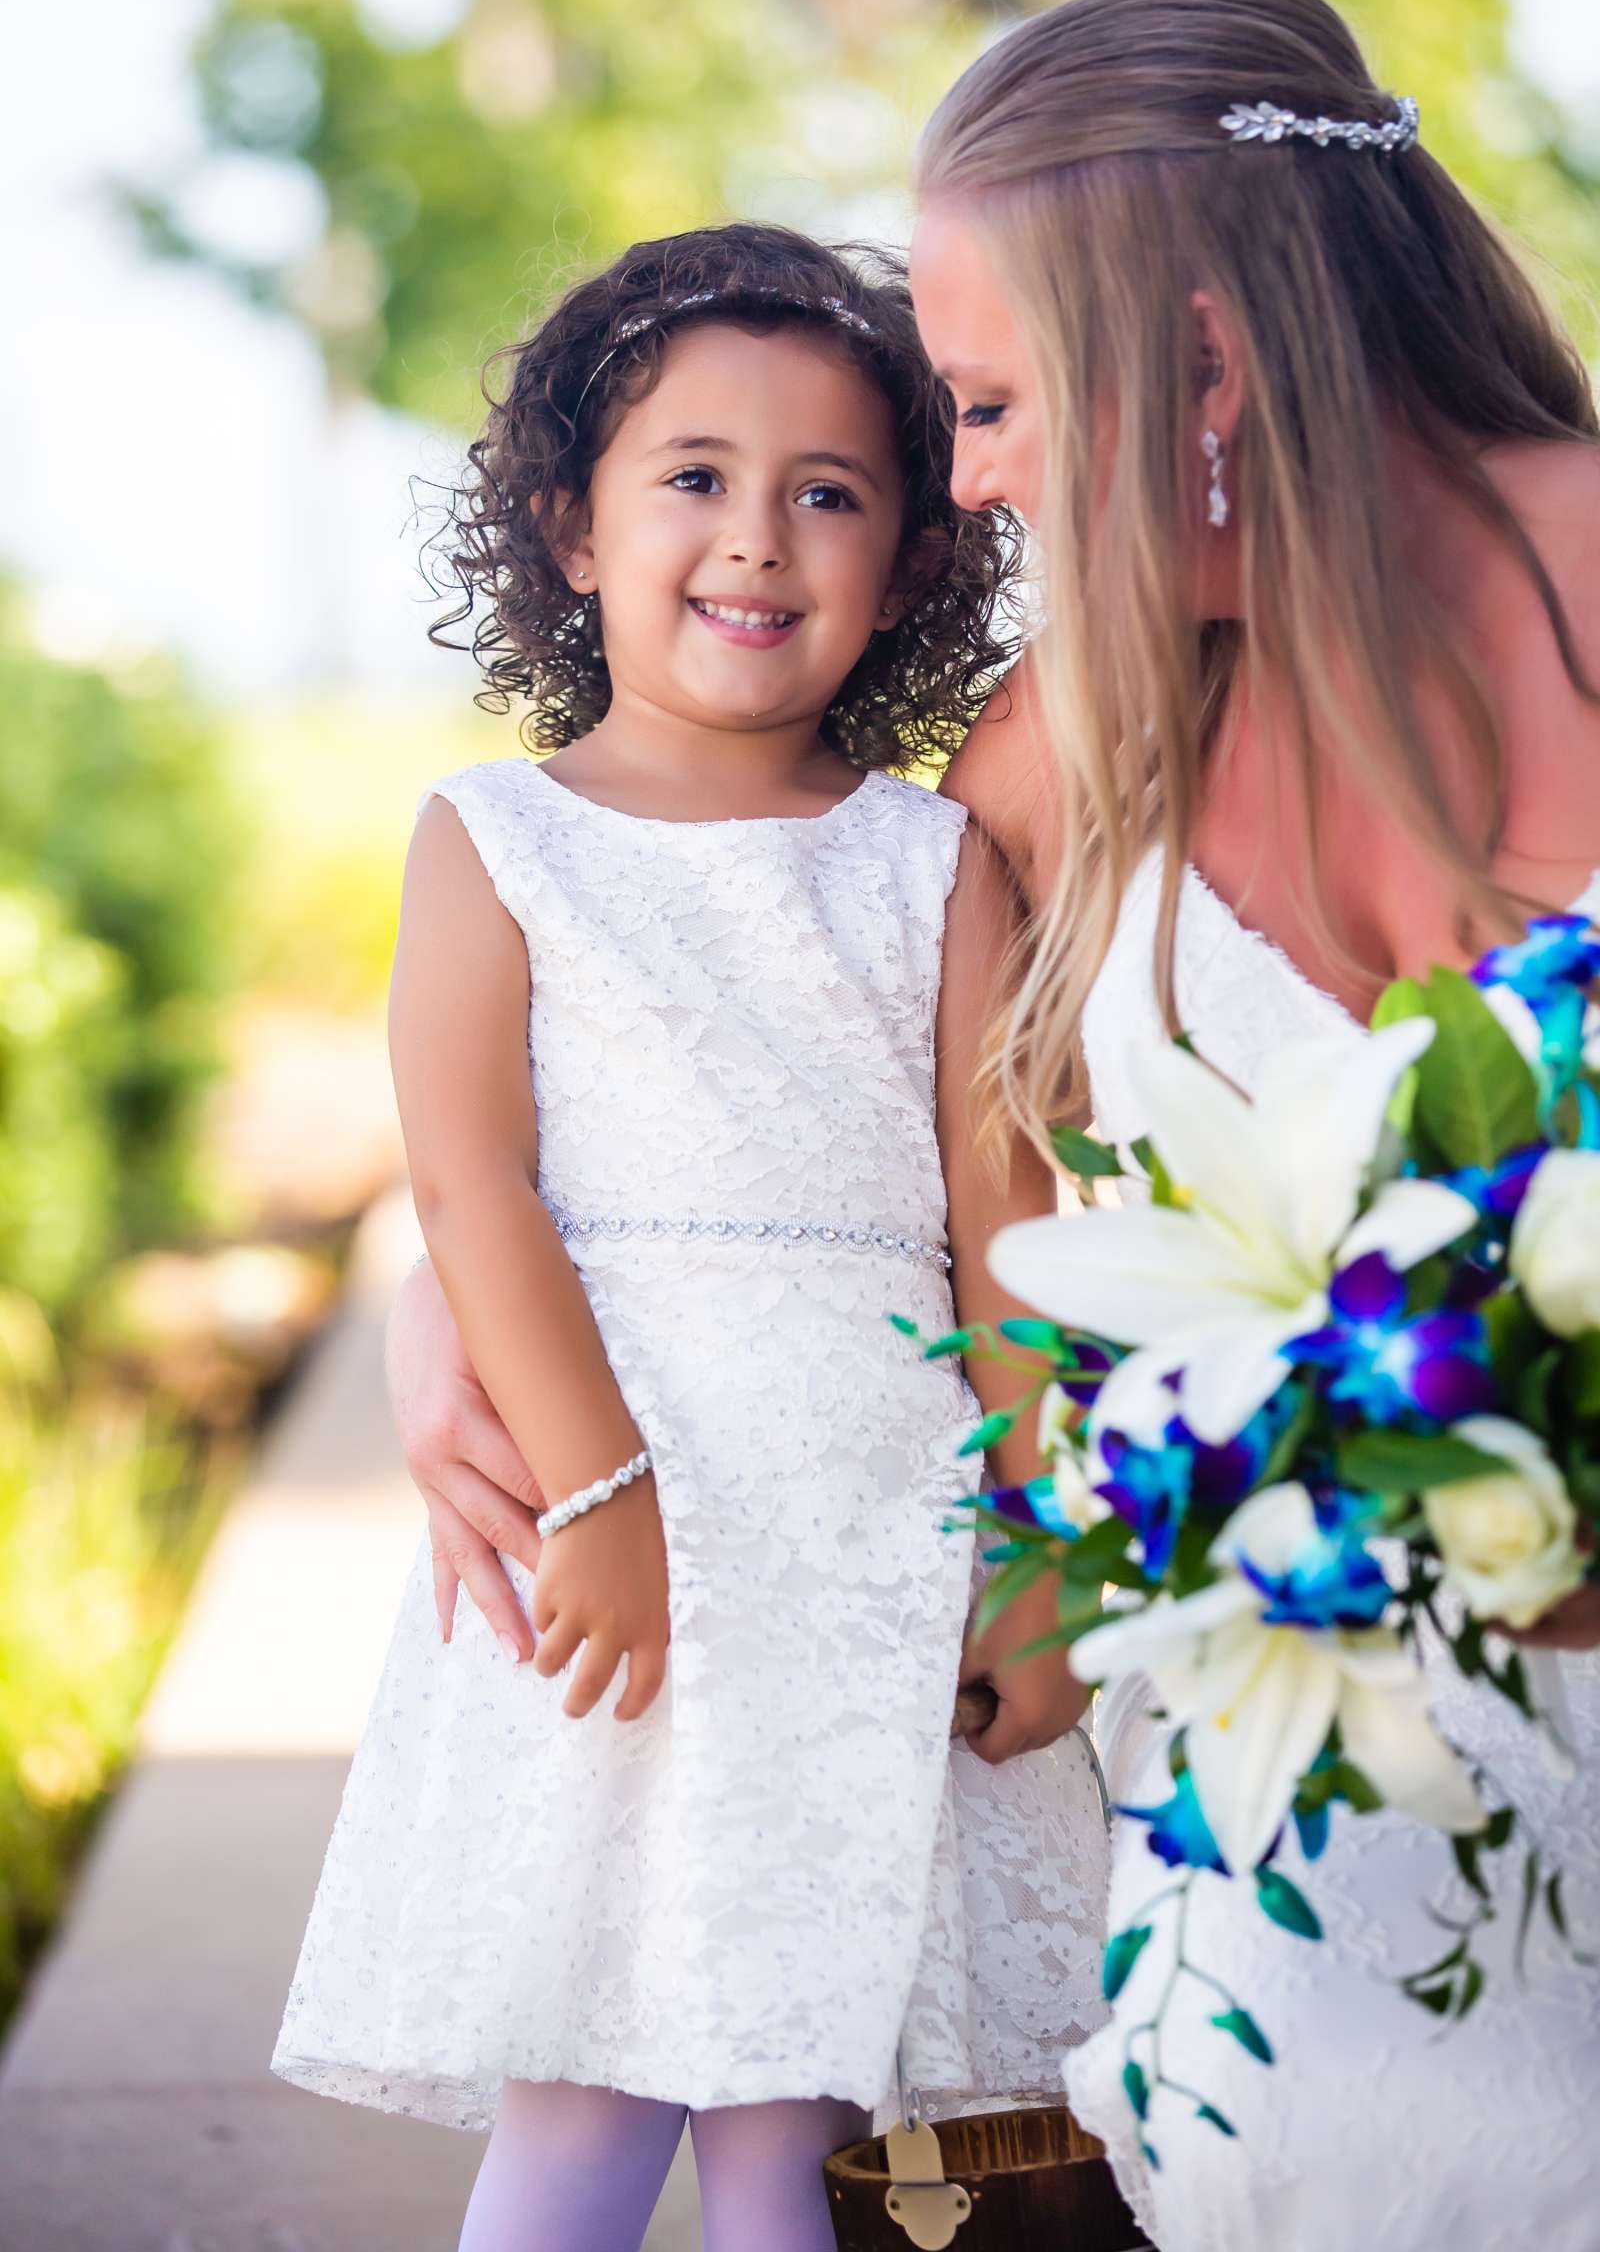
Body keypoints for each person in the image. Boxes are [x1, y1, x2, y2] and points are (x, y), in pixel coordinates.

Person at [272, 220, 1109, 2252]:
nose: (756, 538)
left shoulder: (926, 861)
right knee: (580, 2108)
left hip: (866, 1551)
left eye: (827, 493)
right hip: (608, 1537)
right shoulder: (497, 841)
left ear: (909, 559)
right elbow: (474, 1192)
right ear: (569, 531)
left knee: (793, 2122)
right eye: (694, 479)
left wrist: (1039, 1550)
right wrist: (597, 1491)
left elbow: (999, 1230)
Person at [912, 0, 1600, 2252]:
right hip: (1309, 1856)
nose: (966, 476)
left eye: (993, 399)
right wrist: (456, 1331)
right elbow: (850, 1167)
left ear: (1200, 365)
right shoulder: (1067, 755)